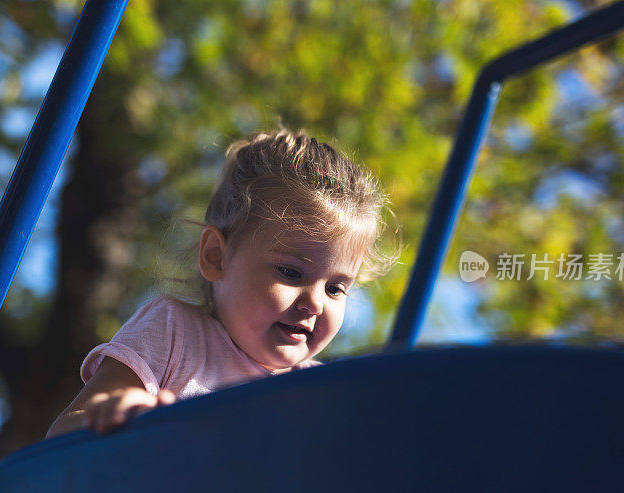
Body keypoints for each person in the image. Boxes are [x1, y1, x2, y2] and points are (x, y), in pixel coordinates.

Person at [46, 128, 397, 437]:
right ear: (216, 256)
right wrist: (117, 416)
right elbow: (61, 432)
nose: (316, 303)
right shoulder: (174, 333)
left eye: (335, 288)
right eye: (291, 273)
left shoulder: (320, 393)